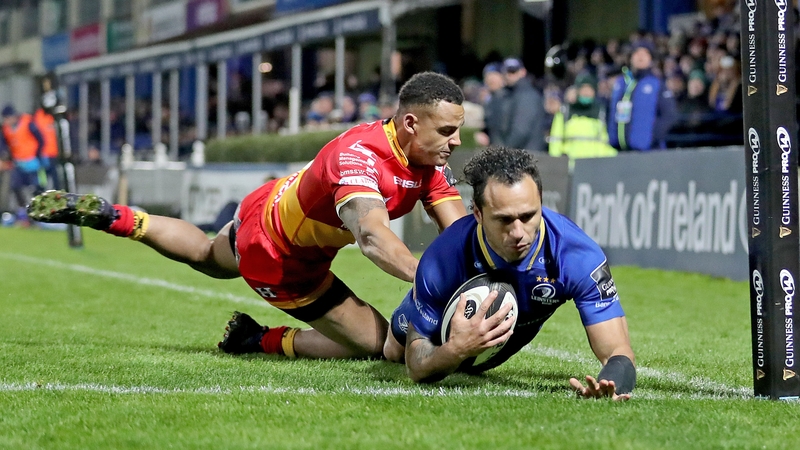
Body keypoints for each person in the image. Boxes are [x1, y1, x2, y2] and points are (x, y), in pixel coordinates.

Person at [28, 72, 468, 360]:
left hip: (271, 206)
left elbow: (462, 233)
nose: (456, 141)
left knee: (205, 253)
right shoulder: (359, 157)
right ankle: (258, 339)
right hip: (280, 258)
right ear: (411, 123)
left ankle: (116, 217)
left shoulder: (427, 161)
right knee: (380, 344)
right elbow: (372, 237)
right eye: (447, 131)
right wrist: (432, 281)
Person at [383, 146, 636, 400]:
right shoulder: (443, 257)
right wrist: (457, 349)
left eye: (528, 216)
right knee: (391, 352)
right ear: (478, 214)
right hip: (443, 331)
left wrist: (610, 384)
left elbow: (618, 350)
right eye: (504, 220)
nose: (518, 232)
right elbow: (415, 367)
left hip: (492, 354)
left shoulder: (577, 256)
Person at [607, 40, 678, 151]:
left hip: (648, 152)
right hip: (619, 151)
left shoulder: (657, 84)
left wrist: (651, 136)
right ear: (631, 57)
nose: (640, 57)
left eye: (645, 53)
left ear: (651, 59)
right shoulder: (621, 84)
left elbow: (669, 115)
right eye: (637, 53)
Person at [548, 72, 617, 160]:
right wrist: (556, 162)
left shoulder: (600, 111)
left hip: (593, 165)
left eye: (589, 90)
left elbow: (603, 141)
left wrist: (613, 157)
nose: (586, 93)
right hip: (571, 165)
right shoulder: (565, 111)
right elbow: (556, 140)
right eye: (583, 89)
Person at [1, 105, 46, 221]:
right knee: (15, 187)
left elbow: (41, 140)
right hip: (18, 163)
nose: (6, 121)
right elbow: (5, 145)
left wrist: (37, 155)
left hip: (32, 163)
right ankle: (23, 212)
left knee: (35, 189)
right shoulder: (6, 129)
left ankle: (39, 213)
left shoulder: (28, 123)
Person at [498, 58, 547, 152]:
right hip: (524, 154)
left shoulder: (526, 94)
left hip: (528, 154)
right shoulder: (513, 93)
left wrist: (503, 150)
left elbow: (521, 130)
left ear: (523, 72)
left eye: (513, 71)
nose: (509, 75)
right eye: (507, 71)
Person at [33, 108, 61, 190]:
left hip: (52, 153)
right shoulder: (37, 117)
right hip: (43, 153)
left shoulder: (54, 117)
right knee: (43, 178)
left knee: (54, 177)